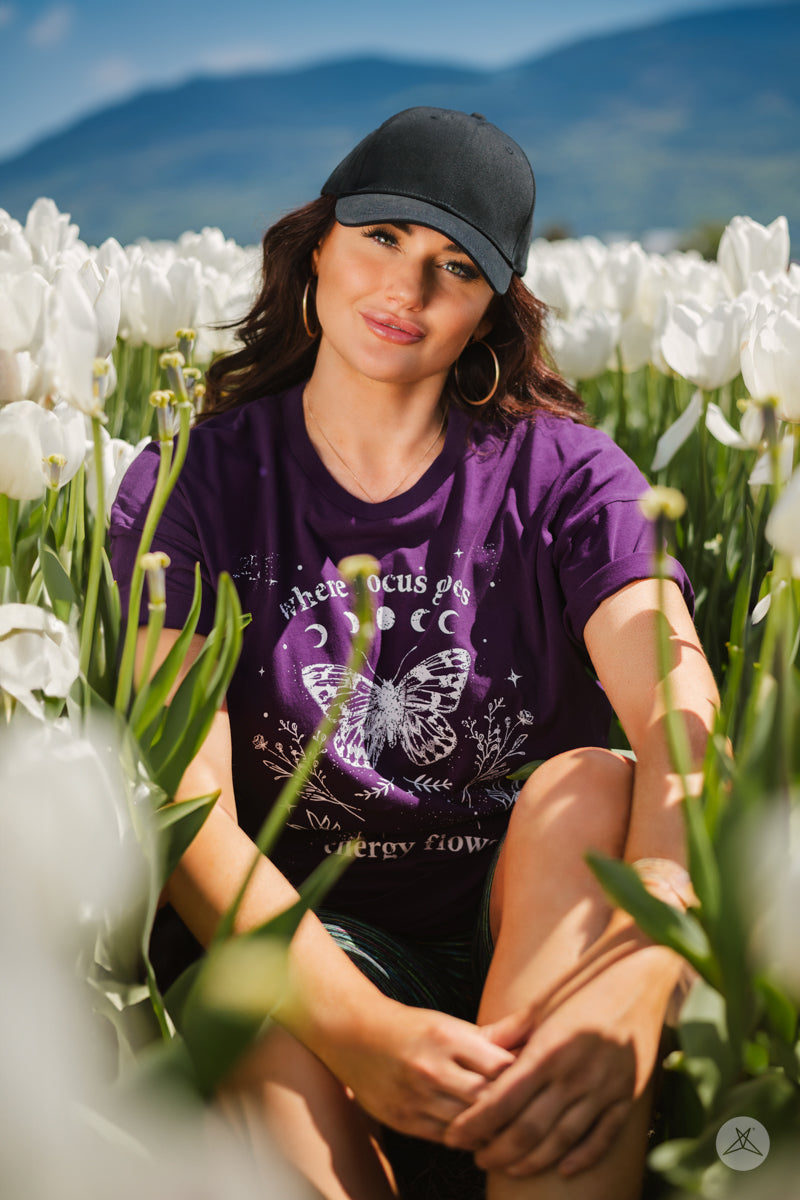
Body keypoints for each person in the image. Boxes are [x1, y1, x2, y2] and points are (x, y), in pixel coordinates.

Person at [110, 107, 719, 1200]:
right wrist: (363, 1030)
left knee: (590, 784)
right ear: (316, 247)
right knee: (243, 1003)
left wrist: (646, 968)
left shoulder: (569, 478)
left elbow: (682, 723)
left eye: (456, 266)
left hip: (527, 924)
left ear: (491, 309)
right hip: (306, 949)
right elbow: (188, 806)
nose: (408, 288)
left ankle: (545, 1130)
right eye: (383, 236)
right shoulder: (192, 480)